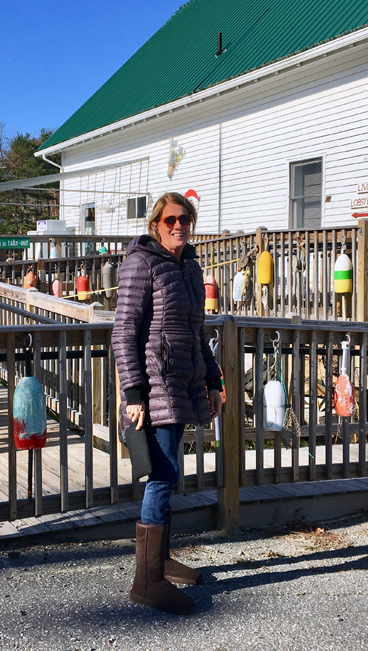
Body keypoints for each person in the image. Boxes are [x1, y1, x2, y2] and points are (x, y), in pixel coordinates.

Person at [112, 192, 223, 616]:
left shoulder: (190, 268)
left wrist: (214, 379)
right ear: (156, 224)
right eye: (170, 219)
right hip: (155, 384)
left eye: (185, 219)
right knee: (160, 473)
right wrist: (134, 393)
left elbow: (198, 333)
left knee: (170, 469)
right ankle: (147, 581)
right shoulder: (141, 263)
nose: (179, 226)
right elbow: (123, 333)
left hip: (185, 383)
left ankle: (160, 560)